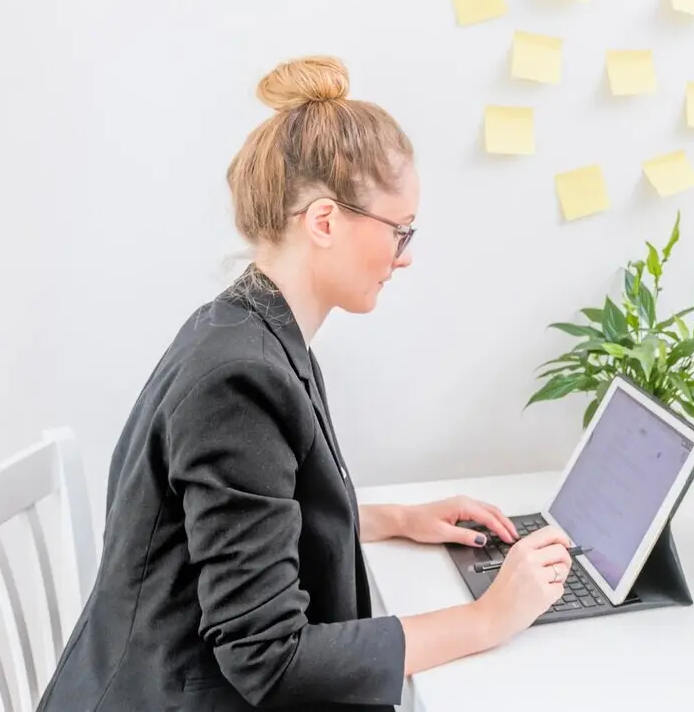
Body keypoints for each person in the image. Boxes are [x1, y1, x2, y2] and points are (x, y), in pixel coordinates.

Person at [37, 56, 576, 711]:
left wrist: (393, 519)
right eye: (400, 231)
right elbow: (271, 659)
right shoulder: (240, 380)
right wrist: (488, 618)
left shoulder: (243, 329)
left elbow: (253, 518)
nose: (406, 256)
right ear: (324, 222)